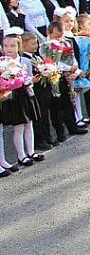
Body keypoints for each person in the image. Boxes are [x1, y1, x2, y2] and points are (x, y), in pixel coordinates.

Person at [1, 34, 44, 172]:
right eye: (6, 46)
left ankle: (31, 151)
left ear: (19, 46)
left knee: (29, 124)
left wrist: (32, 80)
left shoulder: (25, 61)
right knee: (18, 127)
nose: (9, 49)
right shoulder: (2, 63)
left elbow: (28, 78)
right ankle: (21, 155)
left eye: (12, 46)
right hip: (12, 97)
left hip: (26, 95)